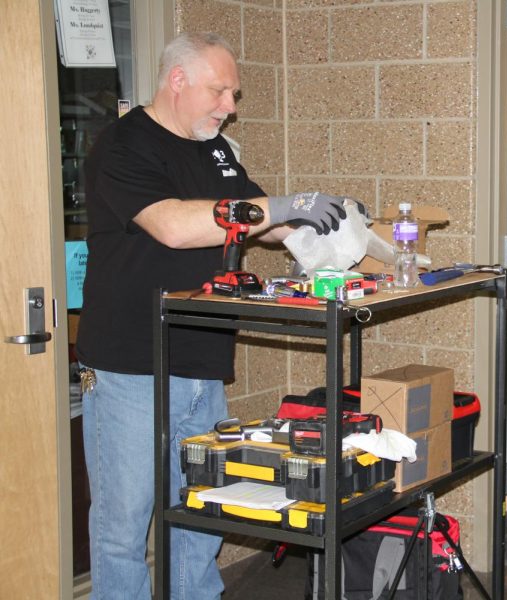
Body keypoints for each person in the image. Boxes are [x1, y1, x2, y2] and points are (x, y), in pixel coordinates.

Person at [75, 32, 364, 599]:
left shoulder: (217, 152)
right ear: (176, 80)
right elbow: (176, 227)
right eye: (220, 91)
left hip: (202, 363)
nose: (229, 107)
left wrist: (329, 239)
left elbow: (265, 220)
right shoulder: (122, 145)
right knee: (123, 528)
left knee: (202, 514)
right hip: (130, 368)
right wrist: (286, 205)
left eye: (233, 93)